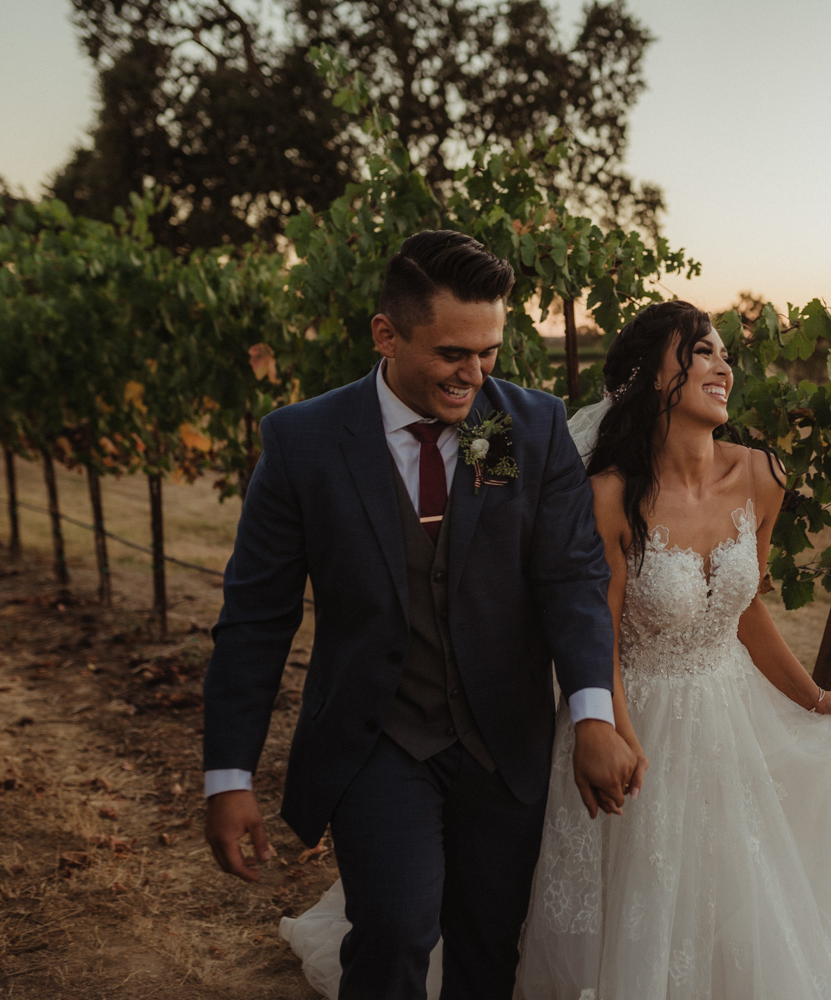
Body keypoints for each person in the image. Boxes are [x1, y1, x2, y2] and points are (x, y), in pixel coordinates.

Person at [283, 300, 831, 999]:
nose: (722, 364)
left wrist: (812, 696)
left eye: (722, 352)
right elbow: (596, 629)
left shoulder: (762, 475)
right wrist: (606, 726)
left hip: (728, 714)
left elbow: (745, 610)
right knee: (635, 907)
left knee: (731, 897)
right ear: (653, 377)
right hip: (637, 717)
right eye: (700, 351)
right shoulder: (609, 497)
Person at [202, 230, 641, 1000]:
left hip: (502, 739)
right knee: (397, 929)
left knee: (486, 944)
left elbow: (568, 578)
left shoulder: (515, 426)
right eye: (450, 354)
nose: (473, 375)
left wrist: (593, 715)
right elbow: (255, 620)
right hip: (379, 737)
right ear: (386, 334)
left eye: (489, 353)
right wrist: (228, 775)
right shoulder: (304, 443)